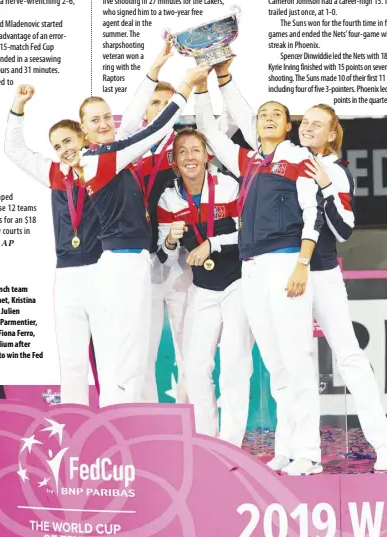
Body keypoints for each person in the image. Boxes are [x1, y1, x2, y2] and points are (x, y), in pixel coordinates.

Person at [195, 70, 325, 475]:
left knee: (297, 358)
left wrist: (302, 263)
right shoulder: (248, 162)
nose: (267, 118)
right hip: (251, 269)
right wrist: (206, 85)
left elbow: (312, 213)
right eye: (262, 114)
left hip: (287, 260)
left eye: (276, 114)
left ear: (288, 126)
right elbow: (210, 131)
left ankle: (310, 451)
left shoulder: (298, 157)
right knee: (275, 363)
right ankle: (286, 448)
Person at [79, 64, 209, 408]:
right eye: (96, 120)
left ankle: (126, 428)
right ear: (84, 129)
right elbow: (151, 130)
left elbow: (134, 118)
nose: (105, 123)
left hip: (129, 262)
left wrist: (155, 65)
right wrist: (185, 85)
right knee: (128, 354)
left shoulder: (110, 155)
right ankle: (121, 430)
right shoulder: (100, 158)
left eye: (108, 116)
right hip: (123, 264)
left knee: (129, 354)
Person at [298, 104, 387, 471]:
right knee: (295, 362)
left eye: (317, 125)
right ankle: (299, 447)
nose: (308, 128)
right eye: (305, 122)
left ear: (331, 135)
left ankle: (384, 440)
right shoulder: (285, 164)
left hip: (322, 273)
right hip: (284, 275)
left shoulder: (336, 173)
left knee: (349, 356)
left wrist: (325, 185)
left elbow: (343, 231)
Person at [4, 86, 101, 406]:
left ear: (84, 138)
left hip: (103, 269)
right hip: (68, 273)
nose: (63, 150)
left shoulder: (105, 167)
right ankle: (75, 420)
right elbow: (14, 150)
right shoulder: (54, 173)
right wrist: (18, 106)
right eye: (57, 146)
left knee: (107, 354)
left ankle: (117, 417)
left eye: (68, 141)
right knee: (72, 357)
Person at [156, 128, 253, 447]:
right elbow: (164, 257)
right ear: (174, 162)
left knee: (235, 364)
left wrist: (211, 243)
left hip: (238, 283)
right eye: (182, 152)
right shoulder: (169, 199)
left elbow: (247, 235)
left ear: (208, 155)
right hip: (203, 287)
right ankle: (209, 442)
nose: (189, 157)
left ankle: (231, 443)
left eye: (195, 150)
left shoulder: (227, 186)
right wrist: (170, 239)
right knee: (196, 367)